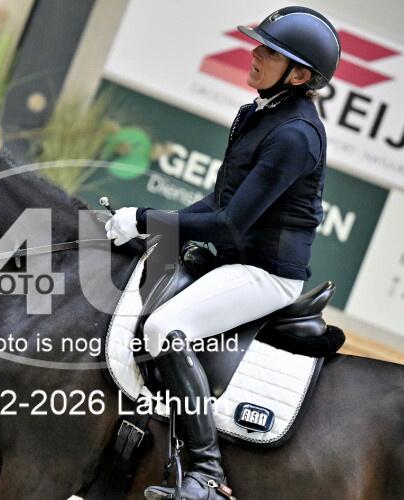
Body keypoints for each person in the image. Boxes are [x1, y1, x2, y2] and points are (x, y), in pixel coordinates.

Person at [105, 6, 341, 500]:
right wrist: (160, 230)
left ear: (299, 75)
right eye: (260, 45)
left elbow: (231, 223)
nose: (254, 53)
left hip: (266, 273)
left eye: (269, 52)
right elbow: (218, 201)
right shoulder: (257, 114)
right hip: (234, 258)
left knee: (164, 328)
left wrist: (145, 218)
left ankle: (207, 474)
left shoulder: (296, 135)